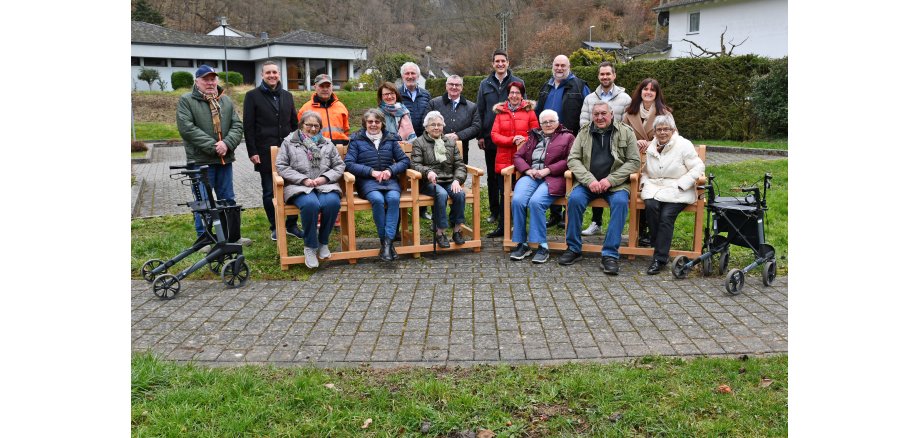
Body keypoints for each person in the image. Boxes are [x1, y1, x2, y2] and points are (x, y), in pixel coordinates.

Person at [558, 101, 640, 275]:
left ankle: (610, 254)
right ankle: (573, 248)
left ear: (611, 114)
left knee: (619, 203)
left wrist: (610, 180)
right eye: (596, 114)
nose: (600, 117)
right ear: (592, 115)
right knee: (574, 199)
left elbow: (634, 161)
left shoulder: (626, 132)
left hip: (616, 184)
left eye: (604, 113)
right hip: (588, 183)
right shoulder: (584, 132)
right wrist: (589, 180)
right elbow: (573, 159)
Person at [176, 64, 249, 245]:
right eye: (205, 79)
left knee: (228, 199)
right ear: (197, 81)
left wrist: (227, 144)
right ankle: (206, 239)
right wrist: (213, 146)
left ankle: (232, 236)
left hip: (224, 160)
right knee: (204, 202)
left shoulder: (225, 100)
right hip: (201, 161)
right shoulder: (187, 101)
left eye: (212, 79)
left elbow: (237, 125)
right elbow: (187, 129)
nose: (210, 83)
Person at [275, 111, 346, 268]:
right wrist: (303, 179)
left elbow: (339, 165)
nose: (313, 129)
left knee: (332, 203)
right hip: (298, 185)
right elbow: (281, 166)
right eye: (309, 125)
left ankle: (323, 242)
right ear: (301, 125)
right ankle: (310, 247)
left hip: (324, 184)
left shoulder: (327, 143)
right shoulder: (289, 142)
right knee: (311, 205)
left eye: (316, 126)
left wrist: (325, 178)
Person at [243, 61, 303, 242]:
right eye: (268, 73)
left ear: (279, 74)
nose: (272, 76)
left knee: (293, 188)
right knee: (269, 191)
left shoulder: (287, 96)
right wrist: (252, 151)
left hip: (289, 152)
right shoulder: (252, 96)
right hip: (264, 152)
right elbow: (248, 126)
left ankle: (292, 224)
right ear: (262, 75)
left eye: (274, 73)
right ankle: (276, 226)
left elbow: (294, 124)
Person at [640, 114, 704, 274]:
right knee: (650, 205)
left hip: (678, 188)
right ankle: (659, 242)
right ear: (654, 132)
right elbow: (645, 171)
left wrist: (683, 184)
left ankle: (659, 258)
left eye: (666, 129)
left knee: (666, 216)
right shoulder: (651, 147)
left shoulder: (684, 145)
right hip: (654, 187)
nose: (662, 132)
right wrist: (644, 182)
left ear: (673, 130)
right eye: (659, 129)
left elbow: (698, 167)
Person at [508, 110, 574, 264]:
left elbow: (570, 159)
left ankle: (542, 246)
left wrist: (548, 169)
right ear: (540, 124)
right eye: (544, 122)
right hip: (531, 175)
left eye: (551, 121)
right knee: (517, 200)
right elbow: (517, 156)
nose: (548, 124)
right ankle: (522, 244)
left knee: (536, 202)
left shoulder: (568, 137)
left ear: (558, 122)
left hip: (554, 177)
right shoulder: (533, 137)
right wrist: (527, 170)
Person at [344, 109, 410, 262]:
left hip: (389, 180)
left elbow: (404, 161)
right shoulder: (356, 140)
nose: (373, 124)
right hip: (367, 181)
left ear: (382, 123)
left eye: (377, 122)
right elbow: (349, 163)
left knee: (394, 199)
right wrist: (371, 172)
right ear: (365, 123)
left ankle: (386, 245)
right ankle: (386, 242)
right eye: (370, 122)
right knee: (378, 200)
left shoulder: (391, 139)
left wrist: (390, 170)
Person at [534, 54, 590, 231]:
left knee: (569, 175)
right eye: (556, 65)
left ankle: (568, 214)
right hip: (548, 139)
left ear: (569, 66)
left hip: (570, 138)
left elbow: (588, 111)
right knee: (550, 173)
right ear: (553, 66)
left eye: (562, 65)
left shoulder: (580, 86)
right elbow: (538, 113)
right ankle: (555, 213)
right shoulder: (546, 85)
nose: (559, 68)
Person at [578, 61, 632, 237]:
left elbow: (627, 124)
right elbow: (584, 121)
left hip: (615, 145)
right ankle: (596, 222)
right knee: (595, 171)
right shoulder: (590, 98)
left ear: (614, 75)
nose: (605, 77)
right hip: (594, 142)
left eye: (608, 74)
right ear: (598, 76)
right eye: (602, 74)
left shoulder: (625, 98)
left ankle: (612, 236)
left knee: (610, 179)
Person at [623, 78, 673, 247]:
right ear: (640, 91)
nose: (648, 92)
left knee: (649, 194)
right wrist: (634, 142)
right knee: (634, 189)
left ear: (657, 94)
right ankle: (639, 230)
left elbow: (673, 137)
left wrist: (652, 143)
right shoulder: (629, 112)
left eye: (652, 90)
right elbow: (622, 136)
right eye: (645, 89)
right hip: (634, 160)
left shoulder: (665, 113)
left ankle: (650, 232)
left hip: (657, 162)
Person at [476, 50, 524, 224]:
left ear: (508, 63)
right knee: (492, 177)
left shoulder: (517, 83)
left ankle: (511, 210)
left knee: (513, 176)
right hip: (491, 137)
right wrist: (481, 135)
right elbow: (480, 110)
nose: (500, 64)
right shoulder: (485, 84)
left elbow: (523, 109)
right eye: (497, 61)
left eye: (503, 61)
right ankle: (495, 211)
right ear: (493, 64)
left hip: (512, 141)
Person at [488, 81, 539, 238]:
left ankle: (521, 227)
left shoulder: (529, 112)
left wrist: (521, 140)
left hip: (523, 161)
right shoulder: (500, 112)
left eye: (517, 93)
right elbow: (494, 135)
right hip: (503, 160)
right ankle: (503, 226)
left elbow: (536, 134)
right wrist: (511, 140)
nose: (514, 96)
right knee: (504, 194)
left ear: (522, 95)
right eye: (511, 93)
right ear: (508, 95)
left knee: (521, 195)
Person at [410, 111, 468, 248]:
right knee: (441, 194)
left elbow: (460, 164)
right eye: (433, 125)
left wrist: (457, 180)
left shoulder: (450, 142)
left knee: (460, 194)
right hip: (429, 182)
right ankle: (439, 232)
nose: (436, 127)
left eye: (439, 125)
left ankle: (457, 230)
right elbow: (415, 164)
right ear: (426, 127)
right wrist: (428, 172)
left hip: (449, 180)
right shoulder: (419, 142)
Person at [425, 75, 480, 165]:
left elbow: (476, 127)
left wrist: (458, 136)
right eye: (451, 84)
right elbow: (426, 124)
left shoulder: (472, 107)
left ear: (462, 87)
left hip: (461, 151)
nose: (454, 87)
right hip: (435, 149)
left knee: (459, 176)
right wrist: (441, 137)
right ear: (446, 86)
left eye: (457, 85)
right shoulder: (434, 103)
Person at [297, 74, 350, 145]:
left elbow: (346, 130)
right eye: (321, 86)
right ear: (315, 87)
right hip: (316, 150)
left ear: (332, 87)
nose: (325, 89)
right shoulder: (305, 109)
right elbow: (300, 132)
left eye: (328, 86)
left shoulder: (341, 107)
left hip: (339, 149)